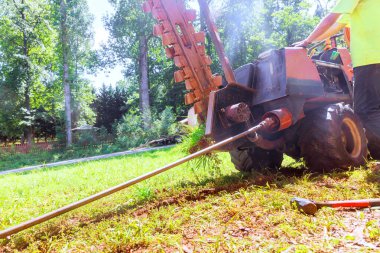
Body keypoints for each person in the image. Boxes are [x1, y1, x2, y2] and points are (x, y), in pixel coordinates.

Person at [294, 0, 380, 159]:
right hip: (374, 58)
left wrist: (306, 41)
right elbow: (337, 26)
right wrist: (312, 41)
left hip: (370, 59)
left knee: (367, 111)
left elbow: (331, 18)